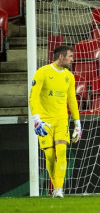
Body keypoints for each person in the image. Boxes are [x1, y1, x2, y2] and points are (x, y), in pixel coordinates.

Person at [29, 45, 82, 198]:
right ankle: (56, 188)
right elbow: (33, 96)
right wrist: (36, 118)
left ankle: (58, 190)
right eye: (70, 56)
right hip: (45, 121)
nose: (72, 59)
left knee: (62, 152)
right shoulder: (42, 72)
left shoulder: (69, 76)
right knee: (50, 156)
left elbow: (72, 99)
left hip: (61, 120)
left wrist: (77, 122)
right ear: (61, 57)